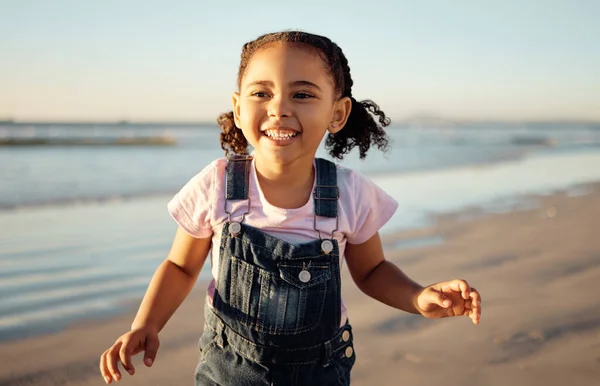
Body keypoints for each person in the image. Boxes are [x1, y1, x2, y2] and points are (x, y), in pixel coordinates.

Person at [99, 30, 482, 385]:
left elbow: (374, 271)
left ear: (337, 113)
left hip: (320, 372)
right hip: (228, 370)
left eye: (302, 95)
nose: (279, 108)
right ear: (237, 106)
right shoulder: (216, 185)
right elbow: (180, 267)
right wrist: (147, 323)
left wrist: (417, 297)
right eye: (261, 93)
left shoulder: (349, 193)